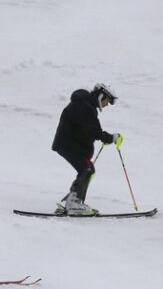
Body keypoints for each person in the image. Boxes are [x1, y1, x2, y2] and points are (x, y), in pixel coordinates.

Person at [52, 82, 122, 215]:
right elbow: (94, 131)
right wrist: (110, 138)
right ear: (102, 95)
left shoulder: (85, 105)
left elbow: (88, 129)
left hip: (69, 144)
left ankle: (72, 203)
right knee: (87, 169)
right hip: (68, 144)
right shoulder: (84, 106)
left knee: (88, 169)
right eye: (108, 101)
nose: (107, 105)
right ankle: (74, 204)